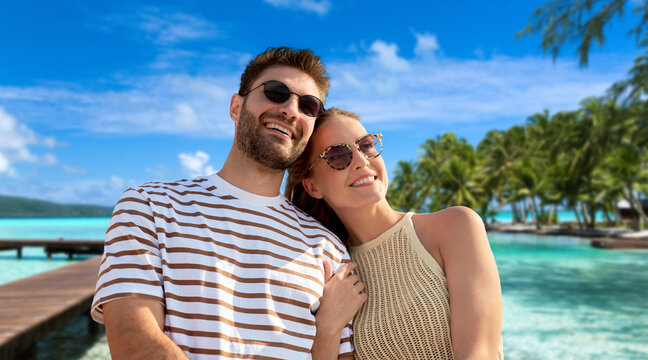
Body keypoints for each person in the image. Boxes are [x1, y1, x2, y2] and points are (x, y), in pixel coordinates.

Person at [91, 48, 366, 360]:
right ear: (236, 106)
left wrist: (327, 329)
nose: (291, 110)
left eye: (308, 106)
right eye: (276, 93)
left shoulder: (328, 248)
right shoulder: (149, 207)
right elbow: (136, 346)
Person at [286, 108, 504, 359]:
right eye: (337, 155)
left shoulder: (456, 227)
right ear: (312, 186)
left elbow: (479, 354)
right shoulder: (332, 274)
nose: (361, 161)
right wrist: (326, 328)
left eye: (365, 145)